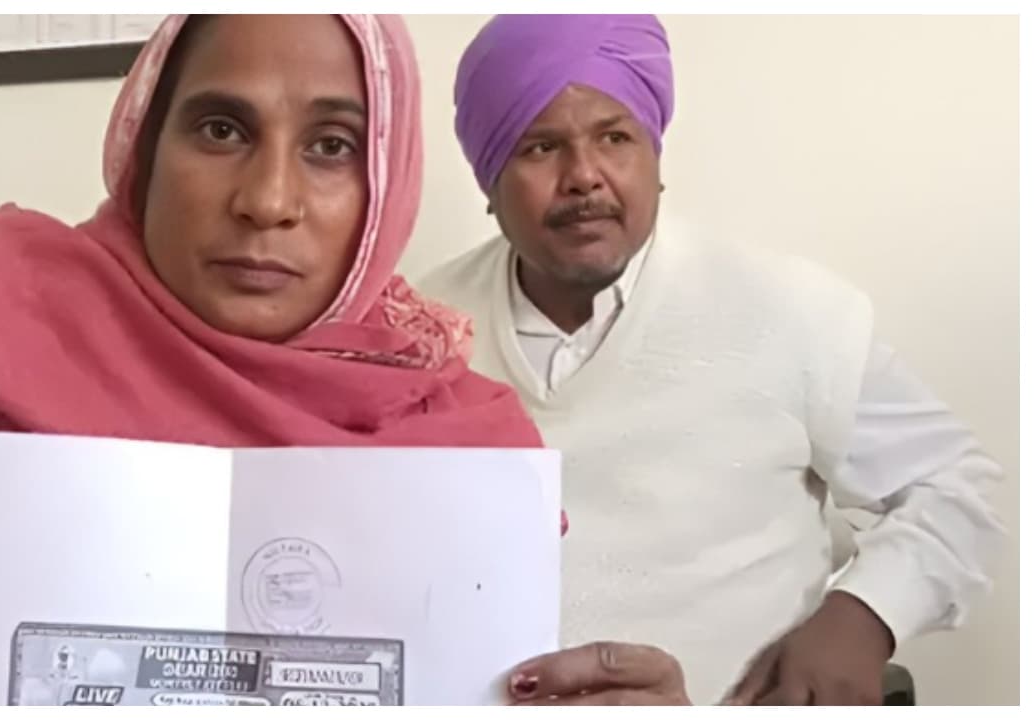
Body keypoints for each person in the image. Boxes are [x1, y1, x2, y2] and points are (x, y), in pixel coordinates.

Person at [0, 14, 665, 707]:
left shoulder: (466, 448)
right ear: (145, 148)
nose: (268, 200)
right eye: (222, 129)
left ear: (386, 182)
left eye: (332, 146)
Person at [418, 14, 1004, 706]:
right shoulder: (413, 334)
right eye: (541, 147)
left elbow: (957, 488)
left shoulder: (788, 312)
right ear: (488, 179)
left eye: (615, 138)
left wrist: (864, 615)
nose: (584, 177)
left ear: (655, 157)